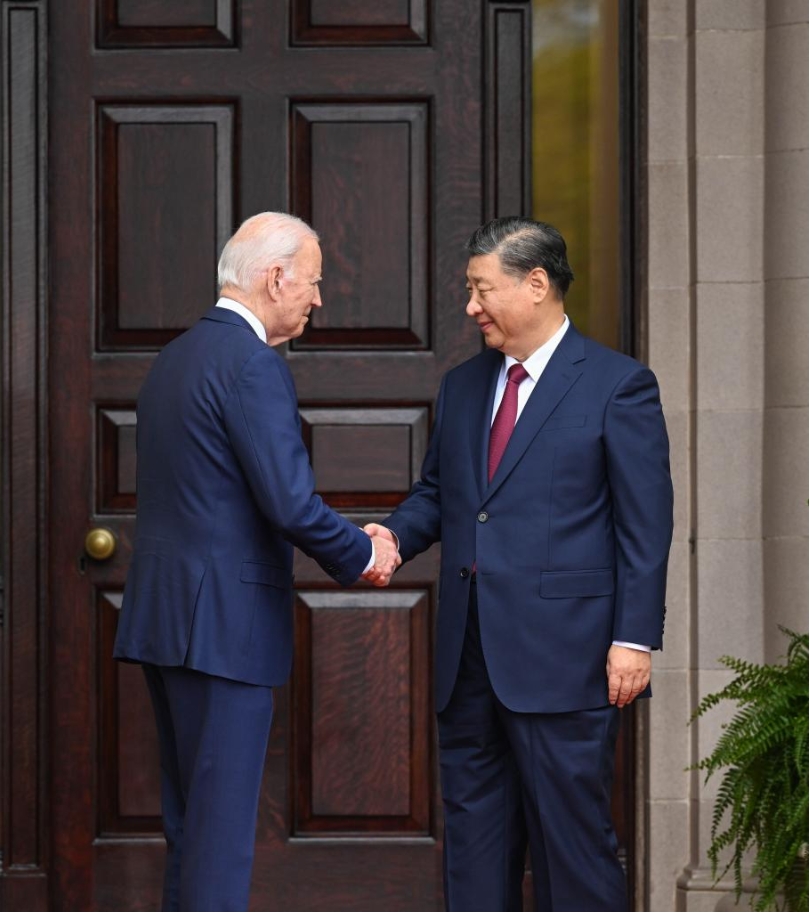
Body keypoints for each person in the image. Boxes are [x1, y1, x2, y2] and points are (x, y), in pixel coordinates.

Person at [365, 217, 673, 911]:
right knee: (474, 850)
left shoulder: (619, 386)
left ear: (536, 285)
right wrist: (388, 537)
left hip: (566, 659)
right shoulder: (463, 385)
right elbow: (440, 495)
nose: (470, 307)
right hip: (470, 659)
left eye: (481, 289)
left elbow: (645, 525)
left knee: (574, 848)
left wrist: (634, 637)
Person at [113, 212, 400, 912]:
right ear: (276, 278)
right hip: (224, 630)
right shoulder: (252, 364)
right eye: (315, 280)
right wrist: (366, 551)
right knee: (219, 835)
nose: (319, 298)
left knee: (193, 827)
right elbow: (291, 504)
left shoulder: (175, 357)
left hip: (167, 620)